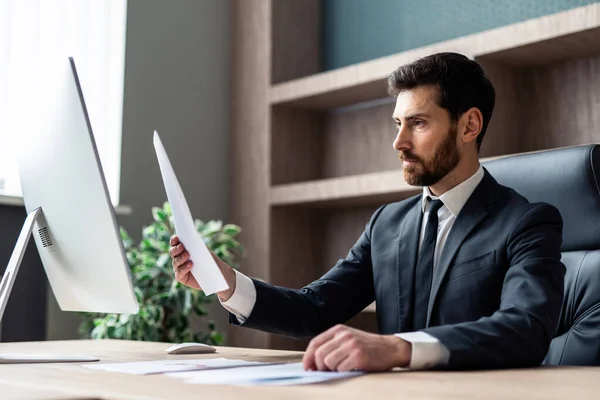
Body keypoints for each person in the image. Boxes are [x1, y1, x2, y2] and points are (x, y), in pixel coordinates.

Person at [169, 52, 565, 372]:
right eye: (397, 123)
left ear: (469, 125)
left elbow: (524, 328)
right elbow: (314, 310)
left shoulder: (526, 222)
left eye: (418, 124)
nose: (398, 142)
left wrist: (398, 348)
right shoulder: (386, 225)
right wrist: (226, 283)